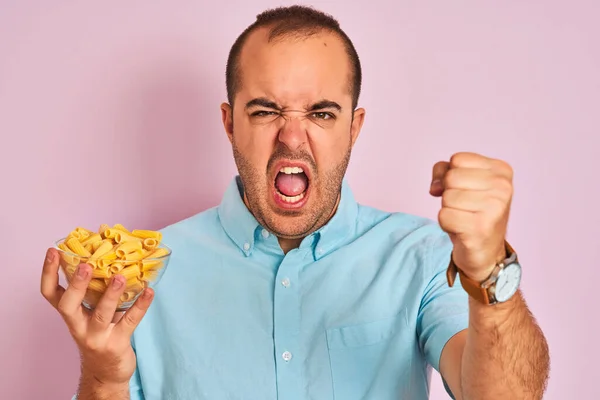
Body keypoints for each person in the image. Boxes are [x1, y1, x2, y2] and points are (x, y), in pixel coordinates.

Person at [41, 5, 550, 400]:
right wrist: (105, 379)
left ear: (354, 128)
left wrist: (489, 273)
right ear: (229, 123)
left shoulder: (421, 256)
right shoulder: (146, 272)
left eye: (322, 114)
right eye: (265, 110)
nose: (291, 137)